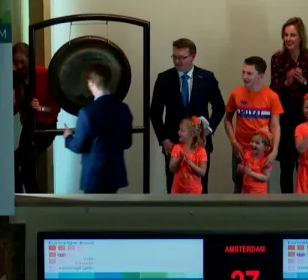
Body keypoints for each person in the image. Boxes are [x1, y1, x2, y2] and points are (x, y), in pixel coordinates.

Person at [150, 38, 225, 194]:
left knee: (200, 189)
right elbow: (155, 113)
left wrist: (209, 129)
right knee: (174, 188)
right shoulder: (164, 79)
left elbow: (219, 107)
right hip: (173, 144)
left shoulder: (207, 78)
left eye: (182, 57)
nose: (177, 61)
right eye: (174, 57)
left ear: (193, 56)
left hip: (200, 145)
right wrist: (164, 140)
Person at [269, 17, 308, 193]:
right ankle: (286, 204)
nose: (288, 39)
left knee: (306, 164)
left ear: (301, 37)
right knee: (286, 166)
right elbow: (273, 91)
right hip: (285, 118)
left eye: (292, 35)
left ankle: (306, 202)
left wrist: (303, 80)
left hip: (306, 117)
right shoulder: (278, 59)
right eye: (285, 35)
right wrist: (287, 82)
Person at [63, 63, 133, 193]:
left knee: (94, 207)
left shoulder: (87, 112)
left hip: (94, 175)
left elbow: (78, 146)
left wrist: (68, 137)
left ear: (91, 83)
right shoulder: (123, 109)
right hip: (115, 174)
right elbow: (127, 142)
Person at [224, 56, 284, 193]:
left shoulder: (272, 96)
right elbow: (227, 120)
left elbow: (275, 125)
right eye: (243, 72)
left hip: (262, 152)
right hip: (240, 149)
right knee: (239, 188)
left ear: (261, 75)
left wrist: (274, 150)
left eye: (249, 73)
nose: (245, 77)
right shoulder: (236, 93)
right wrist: (233, 142)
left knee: (260, 188)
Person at [13, 42, 60, 193]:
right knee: (25, 172)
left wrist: (41, 108)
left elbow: (56, 106)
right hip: (28, 127)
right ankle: (21, 199)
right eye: (16, 63)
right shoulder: (16, 79)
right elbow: (16, 107)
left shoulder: (44, 74)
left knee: (18, 164)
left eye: (22, 62)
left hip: (44, 127)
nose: (19, 66)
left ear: (30, 59)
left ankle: (21, 199)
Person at [169, 117, 209, 194]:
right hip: (177, 192)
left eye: (182, 130)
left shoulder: (201, 151)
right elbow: (171, 168)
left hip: (195, 192)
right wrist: (179, 159)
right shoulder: (177, 148)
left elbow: (202, 172)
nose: (178, 132)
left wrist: (190, 163)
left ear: (191, 133)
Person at [238, 128, 273, 194]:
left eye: (257, 143)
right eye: (252, 141)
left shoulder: (266, 161)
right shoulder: (247, 155)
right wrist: (241, 169)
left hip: (259, 193)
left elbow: (266, 177)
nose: (253, 144)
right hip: (245, 190)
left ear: (265, 147)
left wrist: (251, 173)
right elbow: (244, 169)